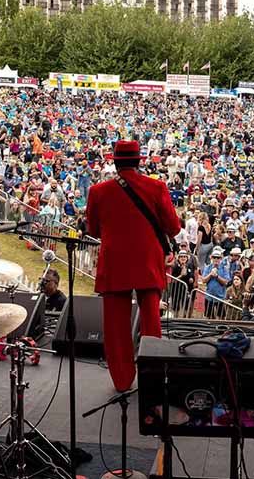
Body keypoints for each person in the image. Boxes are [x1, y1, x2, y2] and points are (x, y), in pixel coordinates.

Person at [85, 140, 180, 392]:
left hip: (114, 263)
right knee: (151, 321)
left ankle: (122, 380)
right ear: (139, 161)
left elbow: (93, 229)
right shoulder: (156, 187)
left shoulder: (97, 191)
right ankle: (152, 376)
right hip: (147, 262)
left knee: (116, 327)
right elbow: (174, 227)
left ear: (115, 163)